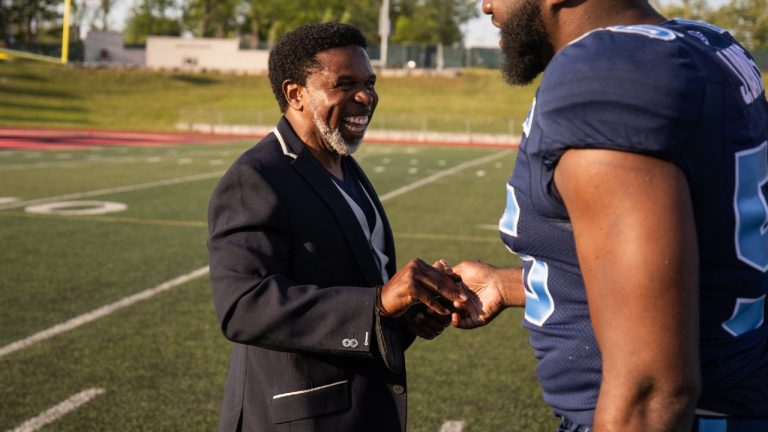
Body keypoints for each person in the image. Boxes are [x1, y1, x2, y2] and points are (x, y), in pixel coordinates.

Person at [450, 1, 768, 431]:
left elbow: (651, 388)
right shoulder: (704, 42)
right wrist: (508, 285)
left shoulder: (605, 75)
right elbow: (684, 258)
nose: (486, 4)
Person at [207, 22, 467, 432]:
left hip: (358, 412)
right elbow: (243, 306)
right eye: (344, 84)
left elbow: (355, 283)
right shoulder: (257, 176)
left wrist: (404, 316)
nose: (365, 96)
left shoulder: (343, 164)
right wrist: (377, 303)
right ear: (296, 94)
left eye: (369, 81)